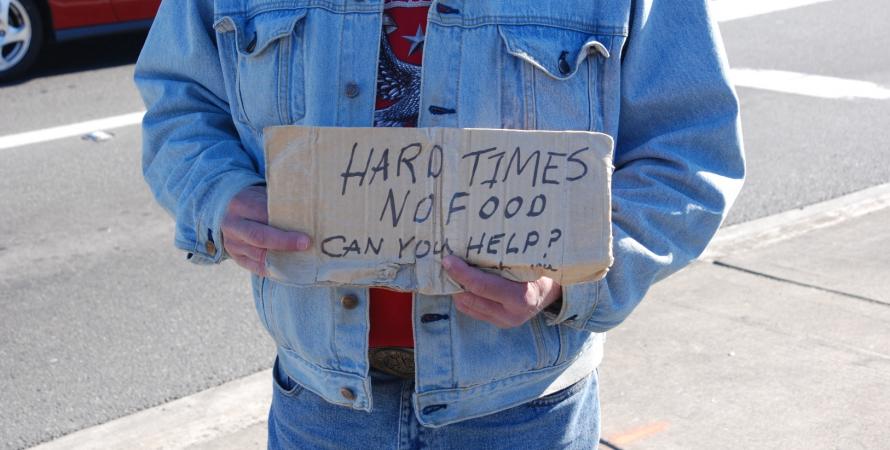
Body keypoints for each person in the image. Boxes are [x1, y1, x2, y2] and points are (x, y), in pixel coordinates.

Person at [135, 0, 745, 448]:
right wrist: (217, 194)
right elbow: (180, 103)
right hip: (320, 412)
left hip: (523, 415)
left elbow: (689, 152)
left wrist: (567, 280)